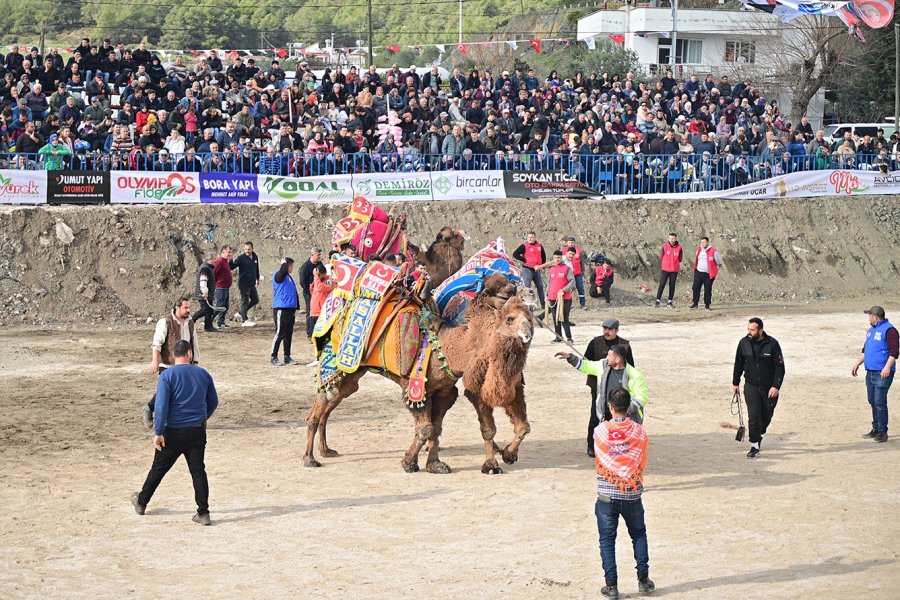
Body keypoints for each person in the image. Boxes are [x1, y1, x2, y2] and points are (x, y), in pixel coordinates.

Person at [131, 340, 219, 526]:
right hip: (196, 431)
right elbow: (213, 401)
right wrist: (203, 417)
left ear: (173, 356)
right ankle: (203, 513)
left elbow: (161, 406)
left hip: (172, 432)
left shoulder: (167, 375)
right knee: (198, 471)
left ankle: (141, 502)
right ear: (189, 354)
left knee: (158, 469)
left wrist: (158, 431)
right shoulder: (203, 374)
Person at [590, 387, 654, 599]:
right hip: (632, 493)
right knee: (638, 534)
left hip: (607, 494)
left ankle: (612, 586)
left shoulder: (599, 432)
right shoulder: (639, 432)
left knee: (607, 540)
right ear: (628, 407)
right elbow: (642, 461)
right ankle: (643, 580)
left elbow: (600, 459)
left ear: (610, 407)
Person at [141, 296, 201, 428]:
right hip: (167, 364)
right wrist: (155, 361)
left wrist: (195, 362)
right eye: (186, 307)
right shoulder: (166, 322)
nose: (188, 310)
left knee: (182, 390)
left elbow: (194, 343)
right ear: (177, 307)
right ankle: (149, 408)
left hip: (185, 364)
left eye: (189, 307)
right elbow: (157, 343)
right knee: (167, 390)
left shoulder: (190, 323)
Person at [732, 317, 786, 458]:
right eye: (748, 329)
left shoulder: (772, 344)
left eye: (752, 330)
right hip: (751, 386)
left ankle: (759, 433)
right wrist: (735, 383)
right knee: (753, 416)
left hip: (769, 388)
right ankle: (754, 445)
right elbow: (738, 363)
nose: (749, 332)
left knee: (766, 416)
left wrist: (776, 386)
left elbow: (780, 367)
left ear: (760, 330)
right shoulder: (743, 343)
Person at [558, 344, 648, 427]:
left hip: (628, 419)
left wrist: (622, 411)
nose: (607, 357)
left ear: (617, 360)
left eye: (609, 355)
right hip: (606, 416)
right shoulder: (603, 366)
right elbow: (586, 366)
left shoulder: (635, 375)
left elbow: (641, 398)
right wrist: (571, 358)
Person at [583, 320, 635, 457]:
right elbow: (585, 361)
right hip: (598, 386)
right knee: (596, 415)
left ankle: (617, 445)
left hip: (618, 388)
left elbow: (631, 367)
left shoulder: (625, 345)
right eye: (605, 328)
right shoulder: (595, 342)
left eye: (610, 329)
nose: (606, 331)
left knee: (618, 417)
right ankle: (592, 446)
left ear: (616, 330)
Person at [851, 306, 897, 443]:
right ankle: (876, 428)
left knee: (879, 402)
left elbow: (894, 352)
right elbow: (865, 350)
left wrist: (887, 367)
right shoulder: (871, 331)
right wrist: (856, 364)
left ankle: (883, 431)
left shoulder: (890, 330)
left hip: (882, 373)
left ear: (875, 317)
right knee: (872, 400)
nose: (868, 318)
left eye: (869, 315)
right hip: (870, 372)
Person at [272, 257, 299, 366]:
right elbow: (280, 274)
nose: (292, 268)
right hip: (281, 308)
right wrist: (283, 264)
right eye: (290, 265)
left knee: (288, 334)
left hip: (289, 309)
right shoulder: (279, 275)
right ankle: (273, 356)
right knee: (280, 333)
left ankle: (287, 356)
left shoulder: (289, 277)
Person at [512, 231, 546, 313]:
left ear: (535, 237)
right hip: (527, 268)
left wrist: (542, 266)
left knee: (540, 286)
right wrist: (524, 260)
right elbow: (515, 254)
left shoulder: (539, 245)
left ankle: (543, 303)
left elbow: (543, 256)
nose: (530, 239)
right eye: (529, 237)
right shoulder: (524, 245)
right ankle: (526, 304)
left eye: (531, 237)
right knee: (527, 287)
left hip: (536, 269)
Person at [546, 250, 575, 344]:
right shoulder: (551, 269)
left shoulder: (567, 268)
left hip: (564, 298)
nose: (557, 259)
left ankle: (569, 338)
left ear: (561, 258)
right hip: (552, 298)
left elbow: (572, 281)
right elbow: (549, 283)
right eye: (555, 258)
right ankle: (558, 337)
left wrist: (564, 290)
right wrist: (546, 294)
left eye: (558, 257)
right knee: (555, 318)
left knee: (564, 318)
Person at [231, 241, 261, 327]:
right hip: (243, 284)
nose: (247, 251)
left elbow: (257, 269)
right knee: (245, 301)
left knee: (255, 299)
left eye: (249, 249)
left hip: (252, 283)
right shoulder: (241, 258)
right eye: (245, 249)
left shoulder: (255, 257)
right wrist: (230, 259)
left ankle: (241, 313)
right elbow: (232, 267)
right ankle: (244, 320)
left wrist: (257, 279)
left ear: (252, 249)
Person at [689, 237, 723, 311]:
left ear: (707, 242)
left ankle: (707, 305)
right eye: (701, 242)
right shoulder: (699, 250)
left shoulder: (713, 251)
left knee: (707, 289)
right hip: (698, 272)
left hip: (708, 274)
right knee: (695, 287)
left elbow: (718, 261)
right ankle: (695, 303)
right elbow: (697, 259)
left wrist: (714, 269)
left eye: (704, 242)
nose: (702, 244)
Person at [191, 252, 219, 333]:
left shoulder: (207, 267)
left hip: (207, 294)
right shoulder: (205, 268)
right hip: (203, 294)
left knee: (209, 310)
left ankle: (208, 326)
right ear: (212, 259)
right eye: (215, 259)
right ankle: (191, 321)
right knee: (205, 309)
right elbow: (203, 281)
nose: (216, 261)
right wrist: (205, 292)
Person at [654, 233, 682, 308]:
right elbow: (661, 256)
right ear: (668, 238)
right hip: (665, 269)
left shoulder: (679, 247)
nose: (671, 240)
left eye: (673, 238)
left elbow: (680, 258)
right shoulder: (665, 246)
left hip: (674, 270)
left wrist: (675, 264)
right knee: (662, 284)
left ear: (676, 239)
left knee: (672, 285)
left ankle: (670, 301)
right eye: (670, 238)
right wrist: (665, 263)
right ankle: (658, 300)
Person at [308, 263, 335, 337]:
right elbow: (313, 291)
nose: (318, 276)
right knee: (314, 336)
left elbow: (320, 288)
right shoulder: (317, 281)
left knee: (322, 337)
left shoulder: (329, 281)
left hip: (322, 312)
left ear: (324, 273)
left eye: (319, 274)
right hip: (314, 311)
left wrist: (316, 276)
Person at [562, 236, 588, 310]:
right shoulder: (563, 251)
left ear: (574, 243)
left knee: (580, 288)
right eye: (569, 242)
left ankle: (583, 304)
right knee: (568, 289)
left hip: (577, 273)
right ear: (567, 243)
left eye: (572, 242)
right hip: (568, 274)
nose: (571, 244)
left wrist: (583, 272)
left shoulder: (579, 250)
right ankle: (567, 305)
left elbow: (581, 262)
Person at [212, 245, 234, 329]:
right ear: (223, 252)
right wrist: (214, 284)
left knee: (225, 306)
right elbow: (213, 272)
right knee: (219, 306)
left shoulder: (225, 261)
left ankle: (221, 322)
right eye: (229, 252)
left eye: (231, 252)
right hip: (220, 288)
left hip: (225, 288)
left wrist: (231, 260)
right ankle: (209, 321)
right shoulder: (220, 261)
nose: (230, 254)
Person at [297, 246, 322, 317]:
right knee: (310, 310)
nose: (319, 256)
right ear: (312, 255)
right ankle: (309, 326)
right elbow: (302, 281)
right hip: (309, 293)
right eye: (318, 255)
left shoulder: (320, 264)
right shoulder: (305, 266)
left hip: (319, 291)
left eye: (319, 254)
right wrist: (309, 291)